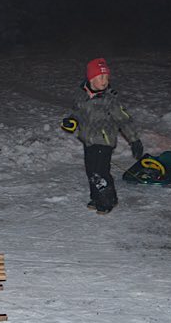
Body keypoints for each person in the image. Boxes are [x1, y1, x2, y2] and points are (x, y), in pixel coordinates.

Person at [61, 58, 143, 214]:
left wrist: (134, 140)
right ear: (91, 78)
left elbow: (124, 119)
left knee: (101, 171)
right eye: (100, 77)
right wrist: (71, 120)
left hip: (104, 141)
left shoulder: (110, 100)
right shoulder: (81, 95)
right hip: (88, 140)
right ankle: (97, 197)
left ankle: (108, 201)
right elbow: (76, 111)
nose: (105, 81)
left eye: (106, 77)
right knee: (91, 170)